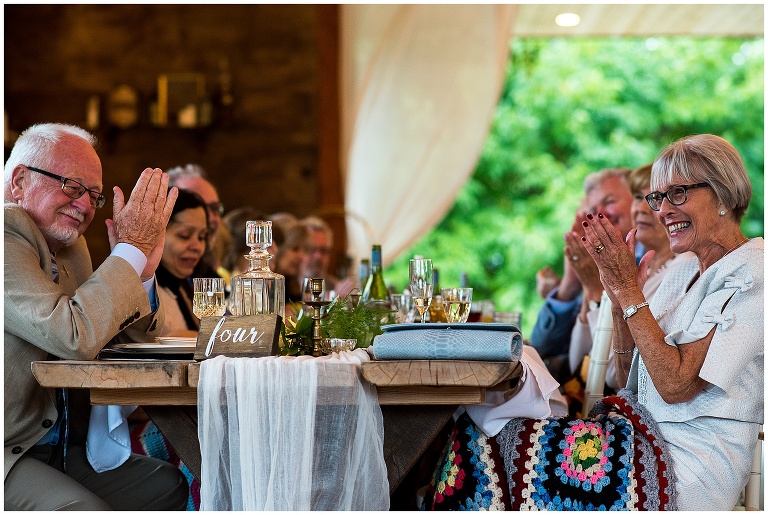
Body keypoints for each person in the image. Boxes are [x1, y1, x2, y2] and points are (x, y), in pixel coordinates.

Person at [4, 123, 188, 510]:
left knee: (165, 485)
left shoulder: (72, 249)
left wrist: (141, 272)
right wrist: (128, 252)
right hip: (10, 450)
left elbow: (123, 341)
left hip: (61, 446)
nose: (86, 206)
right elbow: (74, 336)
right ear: (19, 181)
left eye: (94, 195)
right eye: (72, 187)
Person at [581, 134, 762, 509]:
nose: (663, 210)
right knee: (484, 442)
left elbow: (676, 386)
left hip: (692, 465)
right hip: (639, 443)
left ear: (724, 194)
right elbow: (626, 378)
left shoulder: (753, 272)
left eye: (678, 193)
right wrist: (618, 305)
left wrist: (630, 291)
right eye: (658, 197)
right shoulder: (682, 270)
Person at [564, 164, 695, 405]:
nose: (643, 208)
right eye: (639, 196)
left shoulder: (684, 272)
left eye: (656, 198)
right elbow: (578, 363)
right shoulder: (644, 268)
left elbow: (617, 377)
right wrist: (589, 290)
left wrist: (595, 291)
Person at [530, 167, 638, 382]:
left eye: (609, 203)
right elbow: (545, 346)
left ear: (639, 201)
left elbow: (616, 372)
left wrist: (592, 288)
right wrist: (569, 286)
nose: (599, 216)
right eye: (592, 209)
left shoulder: (651, 261)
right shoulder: (598, 259)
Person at [155, 189, 209, 337]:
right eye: (184, 235)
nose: (197, 246)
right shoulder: (143, 290)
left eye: (202, 237)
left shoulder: (186, 288)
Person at [167, 164, 224, 277]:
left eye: (214, 208)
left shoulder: (206, 274)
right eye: (185, 235)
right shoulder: (145, 283)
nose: (209, 219)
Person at [298, 216, 356, 299]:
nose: (318, 256)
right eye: (311, 249)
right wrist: (333, 299)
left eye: (323, 250)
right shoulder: (286, 288)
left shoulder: (336, 286)